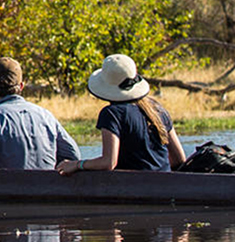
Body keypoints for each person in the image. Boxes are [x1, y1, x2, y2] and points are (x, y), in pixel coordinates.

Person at [55, 54, 184, 175]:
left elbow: (108, 162)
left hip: (132, 188)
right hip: (166, 185)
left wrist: (77, 164)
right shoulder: (156, 109)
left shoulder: (111, 114)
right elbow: (179, 159)